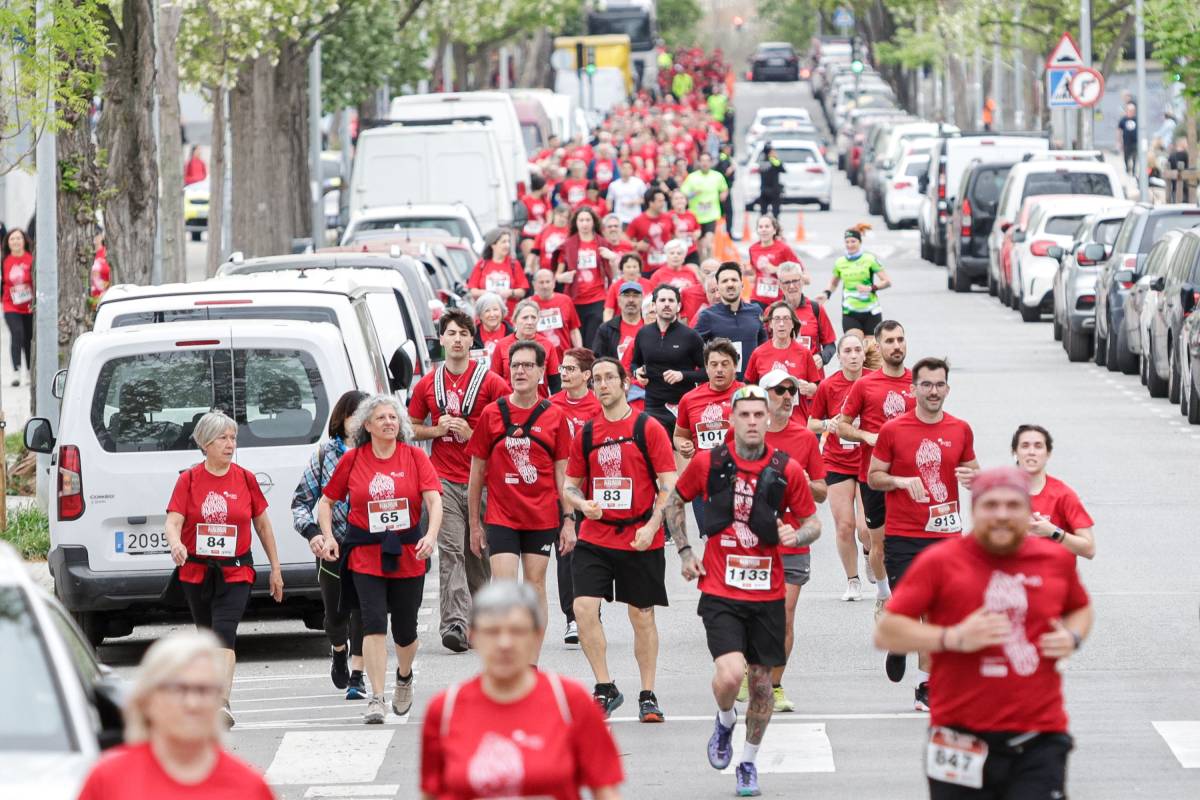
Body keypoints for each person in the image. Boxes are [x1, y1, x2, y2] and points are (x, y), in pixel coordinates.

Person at [875, 467, 1093, 800]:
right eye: (991, 505)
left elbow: (1081, 608)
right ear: (974, 509)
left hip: (1037, 738)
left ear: (1028, 510)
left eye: (1013, 505)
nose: (1002, 515)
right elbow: (887, 631)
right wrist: (954, 638)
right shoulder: (940, 562)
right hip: (959, 739)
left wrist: (1072, 637)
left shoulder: (1053, 560)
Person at [666, 384, 822, 798]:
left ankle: (748, 761)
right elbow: (674, 501)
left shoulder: (786, 469)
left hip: (767, 593)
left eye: (758, 415)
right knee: (731, 674)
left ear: (768, 420)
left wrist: (796, 535)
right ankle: (724, 720)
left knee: (761, 685)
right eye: (745, 415)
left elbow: (813, 522)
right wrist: (685, 551)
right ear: (732, 420)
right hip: (721, 589)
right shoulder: (709, 462)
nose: (752, 421)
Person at [420, 582, 624, 800]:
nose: (504, 643)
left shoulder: (571, 702)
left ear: (536, 635)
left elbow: (605, 792)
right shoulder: (445, 710)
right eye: (492, 632)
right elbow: (431, 793)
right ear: (473, 636)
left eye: (517, 631)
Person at [563, 357, 678, 720]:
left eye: (609, 378)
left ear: (625, 383)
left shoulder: (648, 427)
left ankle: (648, 693)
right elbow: (569, 485)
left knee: (641, 616)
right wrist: (582, 504)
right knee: (583, 608)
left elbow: (669, 485)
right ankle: (605, 686)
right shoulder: (586, 433)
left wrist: (653, 526)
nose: (602, 384)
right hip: (596, 535)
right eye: (596, 379)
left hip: (640, 535)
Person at [317, 395, 441, 724]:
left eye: (393, 417)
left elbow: (433, 500)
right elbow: (326, 502)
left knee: (405, 630)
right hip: (364, 554)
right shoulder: (353, 459)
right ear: (367, 426)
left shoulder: (414, 457)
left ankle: (404, 676)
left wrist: (430, 536)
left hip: (407, 552)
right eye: (382, 417)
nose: (389, 422)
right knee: (372, 623)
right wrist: (329, 536)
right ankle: (376, 697)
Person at [869, 356, 980, 710]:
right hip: (903, 535)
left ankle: (925, 687)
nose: (933, 391)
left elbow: (974, 470)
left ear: (948, 389)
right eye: (927, 385)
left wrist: (974, 478)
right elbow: (874, 477)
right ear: (914, 388)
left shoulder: (960, 429)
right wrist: (901, 481)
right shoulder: (893, 430)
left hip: (946, 536)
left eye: (939, 385)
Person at [165, 411, 285, 728]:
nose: (230, 444)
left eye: (233, 438)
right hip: (197, 572)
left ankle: (221, 702)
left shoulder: (245, 479)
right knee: (207, 638)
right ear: (205, 443)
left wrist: (275, 568)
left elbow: (263, 526)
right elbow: (173, 521)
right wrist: (176, 544)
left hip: (236, 571)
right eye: (223, 438)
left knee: (224, 633)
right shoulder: (189, 480)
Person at [409, 311, 510, 653]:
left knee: (478, 552)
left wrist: (473, 432)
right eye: (451, 333)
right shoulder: (428, 383)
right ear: (441, 339)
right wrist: (435, 430)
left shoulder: (490, 382)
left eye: (463, 334)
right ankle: (454, 624)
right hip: (443, 479)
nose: (456, 339)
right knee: (451, 551)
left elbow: (510, 426)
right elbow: (411, 426)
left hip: (482, 479)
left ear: (471, 340)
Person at [467, 340, 574, 662]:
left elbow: (563, 475)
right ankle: (507, 658)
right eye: (515, 365)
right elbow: (477, 474)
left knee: (535, 585)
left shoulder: (555, 416)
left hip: (541, 516)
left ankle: (530, 663)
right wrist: (474, 525)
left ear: (542, 372)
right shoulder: (492, 414)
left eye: (528, 365)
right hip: (502, 516)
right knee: (504, 587)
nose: (520, 371)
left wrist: (568, 520)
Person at [76, 631, 275, 800]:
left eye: (204, 690)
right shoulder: (108, 780)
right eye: (178, 689)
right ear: (147, 700)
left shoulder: (249, 788)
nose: (192, 703)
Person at [292, 390, 369, 696]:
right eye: (354, 416)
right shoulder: (325, 455)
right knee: (336, 617)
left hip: (369, 546)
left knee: (365, 610)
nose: (360, 422)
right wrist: (315, 534)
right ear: (342, 419)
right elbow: (301, 503)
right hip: (332, 547)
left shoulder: (378, 452)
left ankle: (358, 675)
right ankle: (339, 649)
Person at [759, 369, 828, 713]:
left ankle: (773, 685)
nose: (787, 396)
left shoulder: (804, 438)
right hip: (752, 543)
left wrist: (803, 480)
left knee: (783, 616)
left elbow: (822, 492)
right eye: (779, 390)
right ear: (764, 396)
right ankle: (752, 672)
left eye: (791, 390)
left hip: (793, 539)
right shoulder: (746, 434)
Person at [839, 320, 916, 610]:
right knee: (878, 545)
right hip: (873, 477)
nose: (896, 346)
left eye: (900, 340)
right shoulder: (865, 385)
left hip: (911, 479)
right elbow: (842, 426)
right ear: (879, 346)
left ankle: (911, 598)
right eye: (890, 341)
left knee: (911, 544)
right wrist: (865, 435)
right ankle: (883, 594)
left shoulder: (917, 382)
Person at [808, 333, 870, 601]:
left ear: (864, 354)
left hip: (869, 461)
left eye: (857, 350)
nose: (853, 356)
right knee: (845, 526)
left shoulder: (875, 381)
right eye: (848, 351)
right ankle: (853, 580)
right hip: (837, 461)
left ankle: (869, 553)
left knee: (866, 528)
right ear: (840, 356)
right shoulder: (828, 385)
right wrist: (827, 424)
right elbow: (811, 423)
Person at [550, 348, 604, 644]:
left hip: (593, 490)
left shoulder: (598, 406)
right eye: (562, 368)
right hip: (562, 489)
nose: (564, 373)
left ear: (586, 375)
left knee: (592, 553)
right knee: (566, 552)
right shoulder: (552, 405)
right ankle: (572, 617)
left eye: (570, 369)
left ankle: (591, 612)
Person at [632, 284, 706, 440]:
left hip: (683, 405)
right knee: (657, 449)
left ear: (678, 306)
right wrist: (636, 372)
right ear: (654, 305)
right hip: (654, 406)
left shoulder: (691, 336)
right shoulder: (643, 334)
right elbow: (634, 363)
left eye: (671, 301)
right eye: (662, 300)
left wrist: (682, 375)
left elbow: (707, 372)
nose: (667, 304)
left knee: (683, 450)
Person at [1011, 424, 1096, 559]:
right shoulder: (1001, 494)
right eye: (1025, 446)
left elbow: (1089, 550)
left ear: (1048, 453)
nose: (1031, 452)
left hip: (1054, 571)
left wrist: (1052, 532)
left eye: (1038, 446)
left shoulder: (1063, 494)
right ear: (1015, 452)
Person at [743, 301, 822, 419]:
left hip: (796, 420)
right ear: (770, 324)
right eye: (777, 319)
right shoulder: (758, 353)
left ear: (793, 323)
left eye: (786, 319)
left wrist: (809, 388)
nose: (781, 324)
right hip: (768, 422)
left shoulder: (804, 353)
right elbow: (747, 386)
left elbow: (817, 387)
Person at [695, 262, 766, 381]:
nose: (730, 284)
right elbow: (695, 350)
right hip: (722, 386)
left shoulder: (755, 310)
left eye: (734, 280)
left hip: (751, 385)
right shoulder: (707, 316)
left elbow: (764, 346)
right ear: (718, 287)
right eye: (725, 281)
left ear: (742, 284)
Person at [554, 207, 612, 346]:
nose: (584, 223)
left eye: (587, 220)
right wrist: (563, 277)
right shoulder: (568, 245)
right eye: (581, 220)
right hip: (575, 299)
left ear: (593, 222)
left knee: (593, 340)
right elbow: (557, 276)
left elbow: (612, 274)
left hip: (597, 297)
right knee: (577, 341)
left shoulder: (602, 243)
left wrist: (613, 259)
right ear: (576, 223)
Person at [824, 224, 892, 338]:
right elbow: (833, 283)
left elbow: (887, 281)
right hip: (850, 312)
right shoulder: (840, 262)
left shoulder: (869, 259)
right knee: (854, 343)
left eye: (853, 241)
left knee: (871, 347)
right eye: (847, 242)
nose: (850, 245)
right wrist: (826, 294)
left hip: (871, 311)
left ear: (860, 242)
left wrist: (871, 288)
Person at [490, 299, 563, 398]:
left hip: (539, 402)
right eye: (525, 318)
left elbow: (556, 383)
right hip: (509, 403)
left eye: (533, 317)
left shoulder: (548, 345)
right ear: (515, 320)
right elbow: (494, 381)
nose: (530, 322)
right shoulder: (501, 345)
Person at [779, 262, 836, 369]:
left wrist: (822, 357)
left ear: (802, 281)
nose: (792, 286)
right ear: (780, 285)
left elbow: (830, 345)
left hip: (812, 375)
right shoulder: (772, 311)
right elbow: (764, 346)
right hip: (784, 375)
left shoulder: (816, 309)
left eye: (795, 281)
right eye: (786, 282)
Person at [468, 229, 528, 317]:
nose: (507, 245)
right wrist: (487, 293)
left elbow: (522, 291)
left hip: (508, 316)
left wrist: (510, 293)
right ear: (493, 245)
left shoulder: (514, 264)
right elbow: (473, 290)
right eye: (503, 242)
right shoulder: (482, 264)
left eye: (508, 241)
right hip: (486, 316)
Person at [681, 152, 730, 260]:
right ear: (699, 162)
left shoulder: (717, 176)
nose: (705, 163)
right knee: (699, 246)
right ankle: (703, 264)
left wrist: (723, 194)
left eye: (707, 161)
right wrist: (693, 193)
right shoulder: (692, 177)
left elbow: (724, 188)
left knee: (708, 242)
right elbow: (683, 194)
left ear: (711, 162)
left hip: (711, 215)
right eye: (702, 161)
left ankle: (710, 264)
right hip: (696, 216)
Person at [2, 227, 33, 386]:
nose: (15, 241)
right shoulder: (4, 261)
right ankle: (16, 371)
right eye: (12, 239)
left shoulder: (31, 259)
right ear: (8, 242)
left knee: (28, 338)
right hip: (10, 306)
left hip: (29, 307)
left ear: (24, 241)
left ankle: (29, 371)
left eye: (18, 238)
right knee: (17, 333)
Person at [747, 215, 798, 307]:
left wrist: (776, 269)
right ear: (757, 230)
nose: (763, 229)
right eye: (760, 227)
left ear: (774, 230)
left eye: (767, 226)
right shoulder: (753, 249)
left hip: (779, 298)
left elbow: (798, 270)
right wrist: (746, 271)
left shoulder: (783, 248)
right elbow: (754, 272)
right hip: (758, 298)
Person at [531, 268, 583, 359]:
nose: (545, 286)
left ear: (554, 283)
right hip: (539, 358)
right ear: (534, 285)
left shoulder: (565, 300)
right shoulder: (529, 304)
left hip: (564, 357)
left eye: (548, 282)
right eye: (541, 282)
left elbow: (574, 330)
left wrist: (579, 352)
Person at [626, 187, 676, 274]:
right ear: (650, 203)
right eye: (659, 201)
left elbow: (674, 236)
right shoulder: (638, 220)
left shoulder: (668, 218)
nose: (663, 204)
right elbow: (625, 240)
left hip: (666, 265)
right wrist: (636, 245)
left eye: (663, 200)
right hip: (646, 268)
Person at [603, 253, 653, 322]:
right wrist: (607, 326)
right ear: (622, 268)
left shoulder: (649, 284)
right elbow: (609, 310)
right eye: (628, 267)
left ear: (639, 268)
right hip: (622, 323)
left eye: (635, 267)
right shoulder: (615, 286)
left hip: (645, 323)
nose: (631, 270)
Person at [529, 203, 572, 274]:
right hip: (545, 270)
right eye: (560, 216)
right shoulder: (544, 230)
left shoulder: (570, 232)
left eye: (565, 217)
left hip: (563, 272)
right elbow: (534, 251)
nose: (562, 219)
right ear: (554, 215)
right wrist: (528, 267)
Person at [473, 292, 512, 364]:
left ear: (502, 312)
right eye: (487, 310)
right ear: (480, 315)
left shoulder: (513, 335)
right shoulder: (471, 336)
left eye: (495, 309)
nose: (492, 314)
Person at [607, 159, 648, 226]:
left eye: (629, 168)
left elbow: (646, 198)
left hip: (635, 217)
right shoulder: (613, 185)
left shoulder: (639, 183)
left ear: (632, 170)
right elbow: (609, 200)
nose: (626, 170)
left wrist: (634, 202)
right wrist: (611, 213)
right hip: (620, 218)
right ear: (620, 170)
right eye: (624, 168)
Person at [669, 188, 702, 264]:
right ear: (671, 202)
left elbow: (698, 229)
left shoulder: (691, 214)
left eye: (681, 198)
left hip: (691, 250)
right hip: (675, 252)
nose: (679, 201)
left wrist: (696, 234)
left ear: (686, 201)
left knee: (694, 269)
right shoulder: (668, 216)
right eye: (676, 199)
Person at [755, 145, 786, 219]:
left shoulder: (761, 161)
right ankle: (774, 223)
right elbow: (783, 169)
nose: (774, 152)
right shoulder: (774, 161)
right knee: (775, 212)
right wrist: (775, 158)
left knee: (763, 212)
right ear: (770, 152)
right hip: (774, 190)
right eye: (773, 151)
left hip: (764, 189)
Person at [89, 229, 111, 307]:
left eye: (97, 234)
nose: (94, 237)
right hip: (91, 301)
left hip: (105, 300)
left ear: (102, 236)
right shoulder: (89, 255)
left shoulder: (106, 253)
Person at [1118, 103, 1139, 176]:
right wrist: (1119, 141)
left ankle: (1133, 170)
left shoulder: (1137, 120)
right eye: (1129, 110)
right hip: (1126, 142)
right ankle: (1127, 168)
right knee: (1126, 157)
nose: (1131, 112)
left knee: (1134, 157)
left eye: (1132, 110)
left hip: (1135, 142)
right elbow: (1119, 130)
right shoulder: (1123, 120)